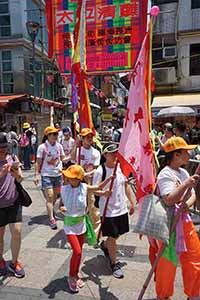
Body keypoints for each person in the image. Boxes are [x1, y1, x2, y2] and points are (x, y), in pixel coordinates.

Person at [154, 136, 200, 300]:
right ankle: (163, 295)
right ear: (176, 154)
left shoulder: (183, 171)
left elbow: (193, 194)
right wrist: (186, 184)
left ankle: (194, 293)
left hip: (185, 222)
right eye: (186, 151)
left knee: (195, 257)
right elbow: (169, 199)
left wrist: (187, 204)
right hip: (169, 224)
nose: (190, 154)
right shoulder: (165, 174)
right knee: (167, 264)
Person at [60, 164, 112, 293]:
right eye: (67, 177)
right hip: (69, 225)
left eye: (71, 177)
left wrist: (110, 179)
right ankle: (71, 276)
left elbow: (98, 187)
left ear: (78, 179)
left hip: (81, 224)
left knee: (80, 252)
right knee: (76, 252)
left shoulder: (84, 187)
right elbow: (59, 204)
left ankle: (76, 274)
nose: (68, 179)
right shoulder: (64, 188)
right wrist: (60, 208)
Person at [93, 143, 135, 279]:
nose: (115, 155)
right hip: (108, 211)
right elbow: (94, 190)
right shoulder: (100, 171)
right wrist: (104, 193)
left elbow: (126, 185)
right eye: (112, 153)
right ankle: (113, 263)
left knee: (117, 235)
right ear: (105, 155)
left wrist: (132, 202)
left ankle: (105, 245)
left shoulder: (119, 168)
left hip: (121, 209)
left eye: (116, 152)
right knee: (113, 237)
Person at [0, 132, 25, 278]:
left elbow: (20, 179)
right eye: (0, 147)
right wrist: (2, 174)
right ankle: (1, 261)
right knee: (0, 235)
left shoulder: (13, 158)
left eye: (5, 147)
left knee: (17, 231)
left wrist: (16, 175)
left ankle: (14, 262)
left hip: (14, 202)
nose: (3, 150)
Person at [34, 126, 65, 230]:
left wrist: (75, 149)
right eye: (53, 134)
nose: (55, 136)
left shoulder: (59, 146)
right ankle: (52, 218)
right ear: (47, 135)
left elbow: (63, 159)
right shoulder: (42, 147)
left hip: (58, 175)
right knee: (50, 196)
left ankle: (51, 210)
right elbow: (38, 163)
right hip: (46, 175)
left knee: (55, 197)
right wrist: (36, 175)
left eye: (56, 134)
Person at [71, 128, 101, 234]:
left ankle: (94, 232)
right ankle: (78, 228)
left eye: (91, 137)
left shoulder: (96, 153)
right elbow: (72, 159)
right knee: (79, 205)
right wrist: (76, 144)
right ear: (82, 138)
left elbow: (96, 169)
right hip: (78, 182)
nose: (89, 139)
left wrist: (87, 174)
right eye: (86, 137)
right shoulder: (78, 150)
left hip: (90, 182)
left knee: (92, 207)